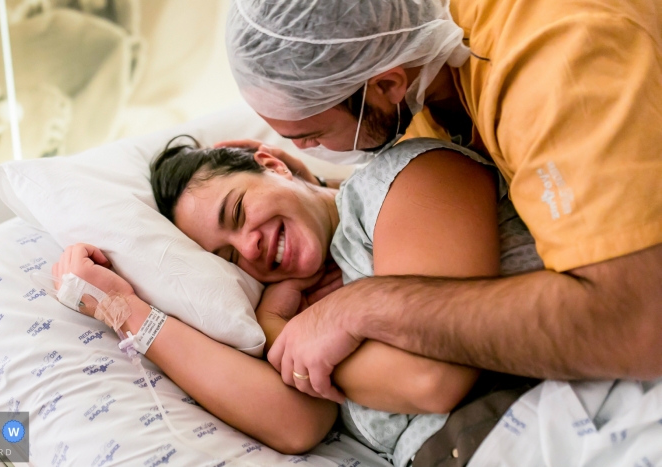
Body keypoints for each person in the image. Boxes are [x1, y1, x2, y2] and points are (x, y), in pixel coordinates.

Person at [222, 0, 662, 405]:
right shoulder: (420, 91)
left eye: (310, 137)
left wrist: (363, 307)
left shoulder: (554, 61)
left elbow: (638, 324)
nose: (313, 150)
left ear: (387, 83)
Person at [53, 136, 541, 463]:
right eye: (227, 255)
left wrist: (283, 338)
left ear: (271, 162)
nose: (249, 247)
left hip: (527, 421)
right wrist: (123, 309)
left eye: (239, 210)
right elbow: (297, 425)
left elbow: (429, 377)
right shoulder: (285, 307)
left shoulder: (399, 182)